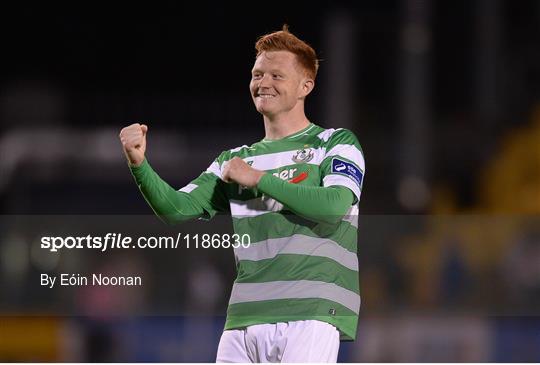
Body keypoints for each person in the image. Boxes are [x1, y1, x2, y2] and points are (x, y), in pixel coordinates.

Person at [119, 25, 365, 363]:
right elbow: (176, 209)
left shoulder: (335, 143)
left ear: (305, 85)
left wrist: (258, 178)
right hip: (243, 317)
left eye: (277, 75)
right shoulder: (234, 160)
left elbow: (335, 206)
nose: (263, 83)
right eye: (258, 74)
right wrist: (139, 163)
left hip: (310, 310)